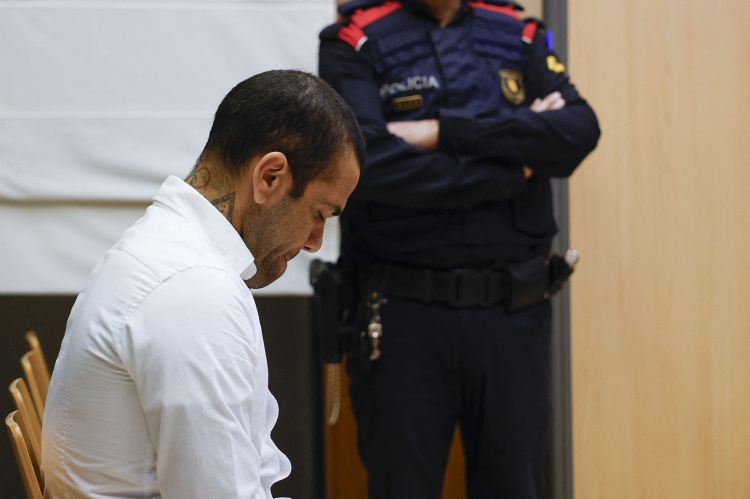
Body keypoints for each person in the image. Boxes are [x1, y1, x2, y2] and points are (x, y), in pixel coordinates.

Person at [318, 0, 600, 497]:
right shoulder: (354, 39)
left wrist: (442, 131)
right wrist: (512, 167)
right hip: (401, 318)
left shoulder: (520, 34)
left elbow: (578, 130)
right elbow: (367, 163)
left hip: (513, 317)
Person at [41, 69, 364, 498]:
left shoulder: (171, 254)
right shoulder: (193, 290)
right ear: (270, 177)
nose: (314, 242)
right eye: (320, 213)